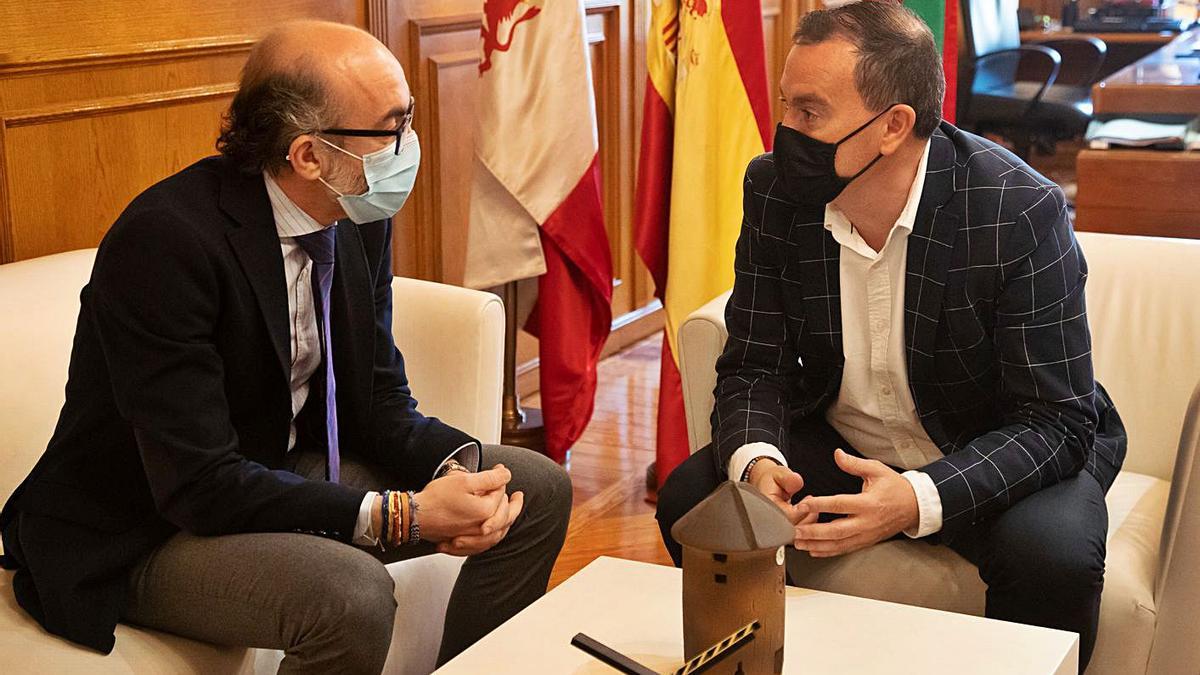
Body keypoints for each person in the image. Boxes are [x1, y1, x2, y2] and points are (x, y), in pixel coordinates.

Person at [0, 20, 571, 673]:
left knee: (533, 488)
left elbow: (379, 401)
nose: (409, 146)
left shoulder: (356, 212)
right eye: (392, 129)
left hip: (273, 468)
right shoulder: (166, 243)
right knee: (350, 597)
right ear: (308, 155)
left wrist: (459, 470)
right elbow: (200, 484)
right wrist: (404, 515)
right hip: (148, 525)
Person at [655, 2, 1125, 670]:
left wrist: (916, 498)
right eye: (785, 105)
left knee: (1050, 558)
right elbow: (753, 366)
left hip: (989, 438)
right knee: (693, 499)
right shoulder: (775, 191)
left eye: (809, 113)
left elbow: (1056, 420)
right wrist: (757, 463)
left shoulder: (1017, 209)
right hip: (849, 441)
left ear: (893, 126)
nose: (783, 132)